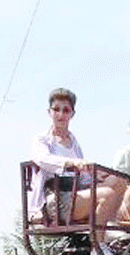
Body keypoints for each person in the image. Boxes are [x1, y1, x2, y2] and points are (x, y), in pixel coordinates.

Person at [30, 88, 121, 243]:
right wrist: (70, 162)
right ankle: (99, 245)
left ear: (72, 114)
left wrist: (96, 176)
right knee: (107, 194)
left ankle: (113, 230)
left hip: (75, 194)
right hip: (56, 199)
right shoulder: (42, 139)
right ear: (49, 112)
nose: (61, 114)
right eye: (56, 109)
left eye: (66, 110)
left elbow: (80, 176)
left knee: (118, 181)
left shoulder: (73, 143)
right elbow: (42, 159)